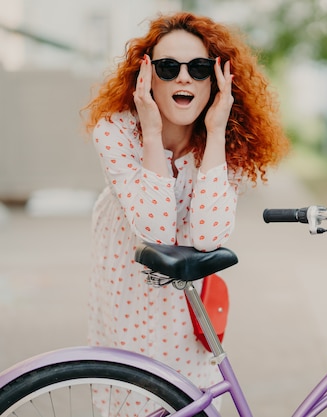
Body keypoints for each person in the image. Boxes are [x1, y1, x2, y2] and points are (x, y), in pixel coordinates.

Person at [83, 11, 289, 396]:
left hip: (188, 283)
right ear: (146, 77)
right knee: (135, 386)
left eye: (198, 68)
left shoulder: (229, 142)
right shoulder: (116, 130)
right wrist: (153, 132)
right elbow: (155, 230)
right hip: (129, 272)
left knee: (192, 389)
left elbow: (209, 236)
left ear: (216, 80)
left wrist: (214, 133)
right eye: (167, 67)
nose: (183, 77)